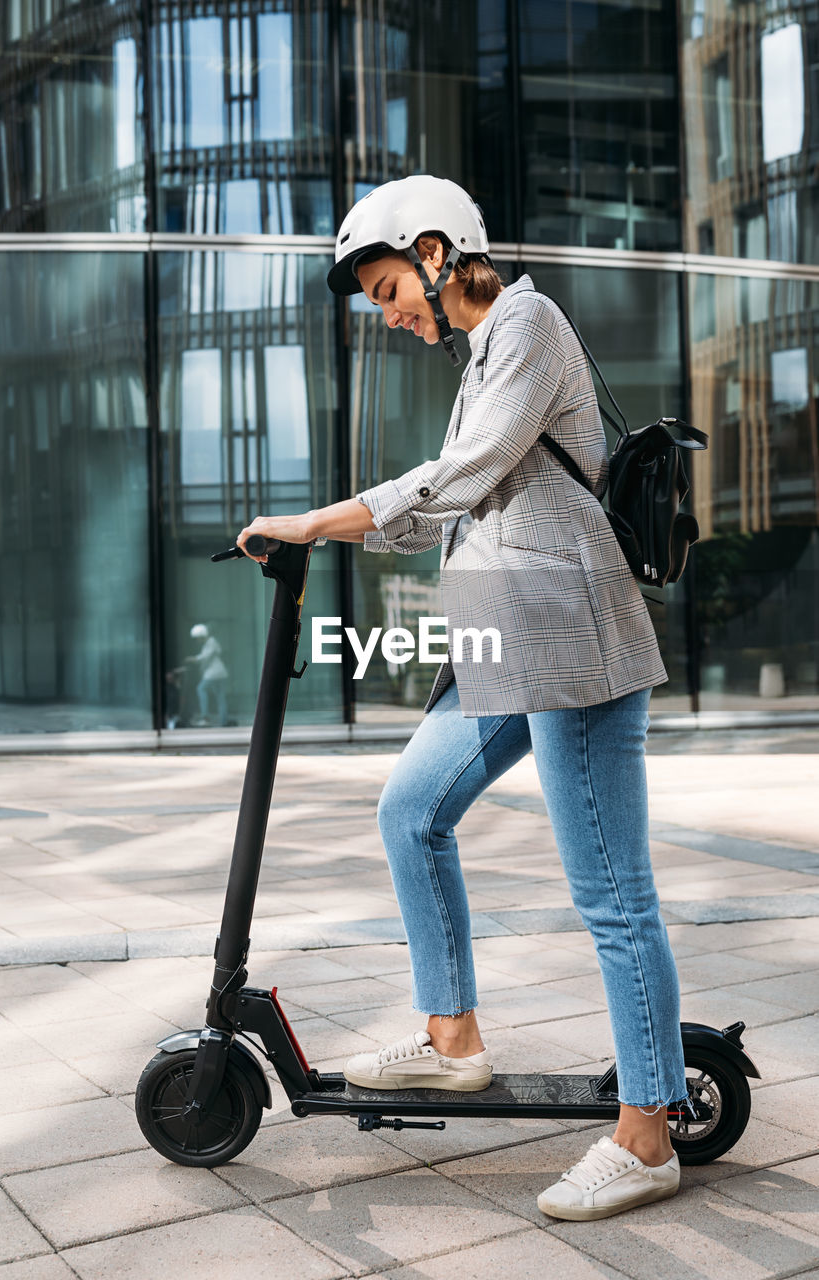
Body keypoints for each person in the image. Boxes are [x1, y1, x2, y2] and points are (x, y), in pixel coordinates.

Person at [236, 174, 695, 1222]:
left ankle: (646, 1134)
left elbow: (462, 471)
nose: (389, 312)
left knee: (614, 897)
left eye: (391, 285)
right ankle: (452, 1041)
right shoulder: (481, 355)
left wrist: (316, 519)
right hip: (502, 646)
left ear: (439, 253)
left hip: (572, 648)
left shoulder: (526, 324)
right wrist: (327, 528)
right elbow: (437, 504)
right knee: (410, 809)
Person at [185, 623, 229, 727]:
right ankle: (224, 721)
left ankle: (205, 717)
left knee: (201, 689)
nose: (197, 641)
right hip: (220, 673)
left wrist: (193, 659)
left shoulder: (211, 642)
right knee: (220, 697)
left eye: (197, 638)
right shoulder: (210, 643)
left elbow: (205, 657)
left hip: (214, 673)